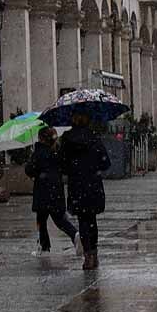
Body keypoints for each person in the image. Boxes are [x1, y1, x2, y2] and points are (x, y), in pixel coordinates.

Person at [60, 112, 111, 270]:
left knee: (83, 220)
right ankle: (94, 254)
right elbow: (105, 163)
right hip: (93, 183)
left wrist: (74, 168)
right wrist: (93, 165)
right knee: (92, 220)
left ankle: (88, 255)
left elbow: (63, 164)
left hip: (77, 184)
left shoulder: (67, 139)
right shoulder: (94, 138)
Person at [25, 127, 79, 255]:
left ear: (41, 138)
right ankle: (75, 234)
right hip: (56, 190)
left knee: (41, 220)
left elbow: (29, 170)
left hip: (42, 191)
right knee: (60, 219)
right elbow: (65, 168)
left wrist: (34, 163)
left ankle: (44, 247)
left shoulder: (38, 152)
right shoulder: (57, 151)